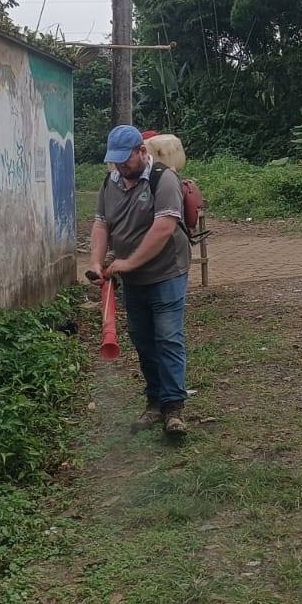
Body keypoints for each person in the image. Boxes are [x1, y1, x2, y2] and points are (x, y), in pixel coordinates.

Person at [87, 124, 191, 437]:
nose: (121, 165)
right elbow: (101, 224)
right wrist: (96, 262)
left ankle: (173, 408)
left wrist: (129, 262)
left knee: (168, 337)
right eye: (115, 160)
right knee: (143, 339)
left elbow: (164, 227)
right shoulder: (111, 182)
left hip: (166, 271)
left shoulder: (163, 179)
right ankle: (155, 402)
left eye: (126, 159)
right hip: (132, 279)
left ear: (142, 152)